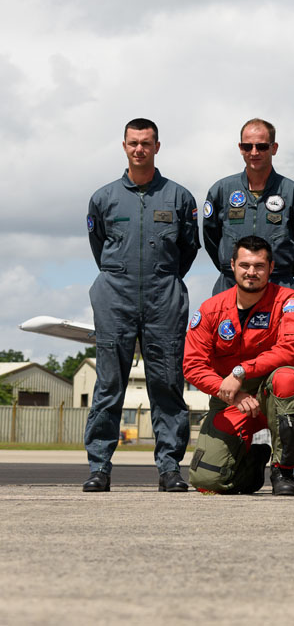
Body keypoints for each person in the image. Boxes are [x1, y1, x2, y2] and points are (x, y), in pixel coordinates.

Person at [83, 118, 199, 493]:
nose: (139, 149)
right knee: (108, 386)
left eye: (146, 143)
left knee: (167, 384)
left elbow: (188, 249)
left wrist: (162, 278)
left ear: (157, 147)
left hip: (164, 298)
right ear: (124, 146)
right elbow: (98, 246)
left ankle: (170, 468)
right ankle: (99, 467)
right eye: (133, 143)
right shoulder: (104, 198)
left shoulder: (179, 198)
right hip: (115, 296)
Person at [183, 236, 294, 495]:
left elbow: (290, 349)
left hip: (271, 395)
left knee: (289, 378)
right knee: (208, 482)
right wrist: (228, 390)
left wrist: (240, 372)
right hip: (230, 399)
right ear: (232, 265)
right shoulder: (211, 309)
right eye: (244, 265)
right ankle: (252, 464)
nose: (251, 272)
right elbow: (193, 365)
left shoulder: (288, 301)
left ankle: (284, 471)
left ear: (271, 268)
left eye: (259, 266)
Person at [202, 118, 294, 295]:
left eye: (262, 147)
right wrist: (235, 268)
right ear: (240, 148)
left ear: (274, 148)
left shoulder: (293, 193)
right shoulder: (221, 191)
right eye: (247, 146)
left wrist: (278, 270)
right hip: (231, 287)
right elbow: (211, 238)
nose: (254, 152)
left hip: (278, 286)